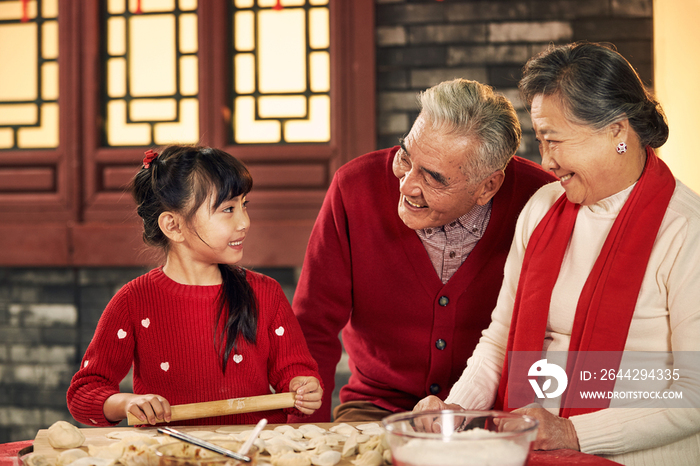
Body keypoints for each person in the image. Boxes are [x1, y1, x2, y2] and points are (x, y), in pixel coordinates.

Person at [414, 42, 700, 464]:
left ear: (617, 131)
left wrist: (571, 432)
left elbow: (694, 394)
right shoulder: (542, 208)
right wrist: (457, 411)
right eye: (539, 139)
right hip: (535, 447)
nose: (545, 160)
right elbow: (500, 339)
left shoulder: (685, 229)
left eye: (554, 140)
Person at [290, 79, 556, 423]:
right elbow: (312, 326)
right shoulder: (353, 187)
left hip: (496, 411)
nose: (406, 185)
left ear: (488, 185)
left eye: (433, 177)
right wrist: (303, 437)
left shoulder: (541, 201)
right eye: (405, 156)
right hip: (377, 409)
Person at [67, 145, 323, 427]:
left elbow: (294, 371)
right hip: (167, 456)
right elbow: (85, 391)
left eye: (244, 205)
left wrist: (303, 388)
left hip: (255, 451)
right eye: (228, 209)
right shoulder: (133, 300)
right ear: (173, 226)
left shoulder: (266, 293)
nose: (244, 222)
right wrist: (128, 403)